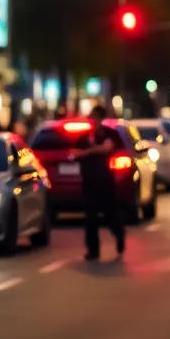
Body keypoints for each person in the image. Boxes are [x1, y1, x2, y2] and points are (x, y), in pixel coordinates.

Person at [71, 104, 126, 261]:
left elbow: (110, 148)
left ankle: (119, 235)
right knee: (90, 217)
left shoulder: (111, 134)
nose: (93, 121)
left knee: (110, 214)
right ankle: (93, 250)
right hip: (89, 181)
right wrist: (95, 150)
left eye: (96, 117)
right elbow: (75, 153)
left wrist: (89, 152)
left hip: (106, 180)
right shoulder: (84, 137)